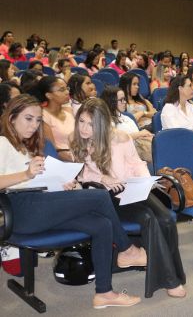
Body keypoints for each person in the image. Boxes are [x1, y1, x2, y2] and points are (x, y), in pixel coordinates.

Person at [0, 94, 146, 309]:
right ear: (12, 117)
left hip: (40, 205)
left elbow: (35, 182)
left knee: (101, 224)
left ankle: (104, 293)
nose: (34, 125)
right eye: (28, 119)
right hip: (22, 211)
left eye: (38, 120)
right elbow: (17, 181)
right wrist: (26, 174)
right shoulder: (3, 142)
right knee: (99, 197)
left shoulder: (25, 146)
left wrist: (59, 183)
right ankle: (127, 249)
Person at [71, 98, 185, 298]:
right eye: (82, 121)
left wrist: (145, 180)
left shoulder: (120, 138)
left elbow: (136, 163)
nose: (85, 128)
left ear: (102, 124)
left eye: (91, 124)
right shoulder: (77, 142)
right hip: (107, 196)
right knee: (148, 218)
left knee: (166, 219)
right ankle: (170, 280)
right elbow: (80, 174)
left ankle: (174, 273)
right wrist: (102, 177)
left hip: (131, 188)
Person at [100, 86, 154, 162]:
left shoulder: (127, 117)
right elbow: (114, 140)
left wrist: (145, 135)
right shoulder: (106, 121)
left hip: (136, 152)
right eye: (121, 100)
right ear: (111, 101)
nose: (125, 102)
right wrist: (139, 134)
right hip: (121, 157)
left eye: (124, 99)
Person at [32, 77, 75, 161]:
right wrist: (76, 159)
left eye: (67, 88)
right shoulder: (42, 116)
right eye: (62, 90)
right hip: (61, 160)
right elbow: (51, 150)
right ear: (49, 95)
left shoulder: (69, 110)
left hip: (78, 154)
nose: (67, 92)